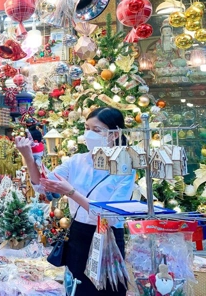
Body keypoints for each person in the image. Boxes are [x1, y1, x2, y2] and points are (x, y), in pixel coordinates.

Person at [15, 107, 135, 296]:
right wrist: (29, 156)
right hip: (78, 235)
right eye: (87, 128)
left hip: (107, 239)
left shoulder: (125, 166)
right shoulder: (77, 161)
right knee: (77, 289)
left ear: (114, 134)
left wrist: (71, 193)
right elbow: (44, 184)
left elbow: (110, 216)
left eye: (96, 130)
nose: (88, 134)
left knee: (106, 291)